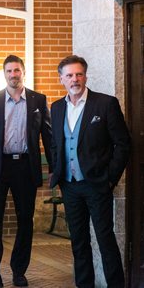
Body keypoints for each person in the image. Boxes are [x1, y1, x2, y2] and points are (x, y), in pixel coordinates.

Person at [50, 55, 131, 288]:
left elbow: (123, 144)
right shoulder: (56, 108)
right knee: (78, 241)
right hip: (69, 185)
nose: (74, 79)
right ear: (61, 79)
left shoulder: (105, 104)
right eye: (69, 75)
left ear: (85, 76)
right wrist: (58, 171)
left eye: (78, 74)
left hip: (97, 184)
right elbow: (56, 143)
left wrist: (109, 179)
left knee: (105, 239)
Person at [0, 55, 53, 288]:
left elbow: (48, 138)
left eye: (17, 70)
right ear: (4, 74)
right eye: (9, 71)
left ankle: (19, 271)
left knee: (25, 221)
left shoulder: (38, 100)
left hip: (25, 167)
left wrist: (53, 168)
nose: (13, 74)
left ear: (23, 72)